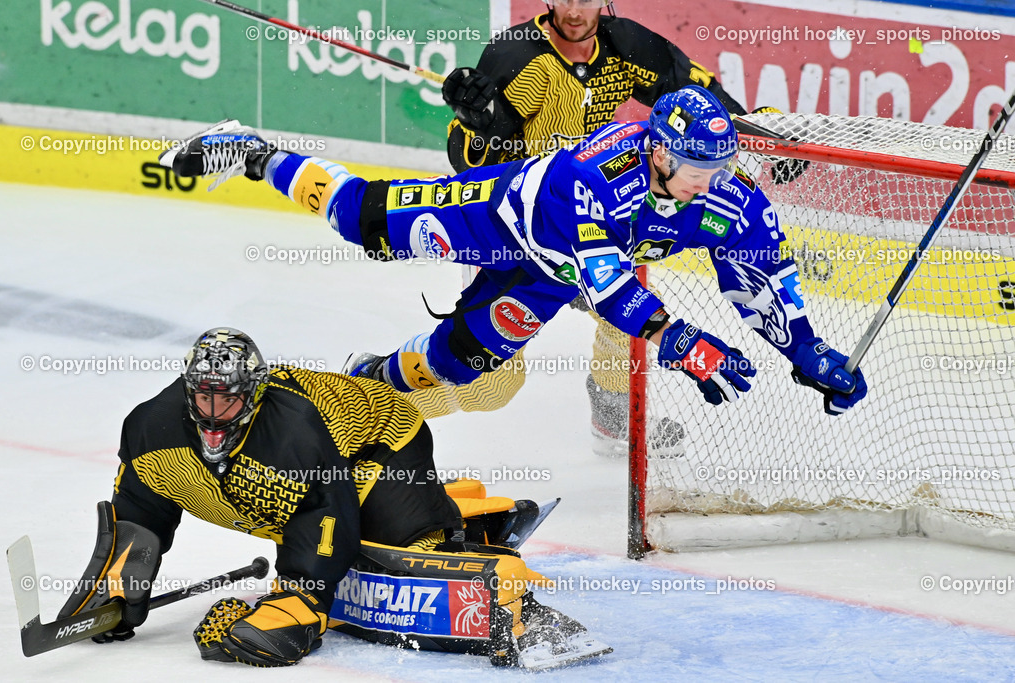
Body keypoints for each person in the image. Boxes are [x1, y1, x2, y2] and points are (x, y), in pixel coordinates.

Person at [161, 85, 866, 419]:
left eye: (719, 165)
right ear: (657, 146)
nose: (709, 181)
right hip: (496, 220)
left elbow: (760, 276)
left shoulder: (726, 195)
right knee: (364, 221)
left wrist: (805, 348)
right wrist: (678, 337)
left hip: (553, 275)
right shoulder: (595, 178)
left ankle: (370, 377)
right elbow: (611, 289)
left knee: (459, 363)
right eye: (694, 165)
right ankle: (254, 152)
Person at [57, 328, 604, 668]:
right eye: (202, 396)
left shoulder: (293, 433)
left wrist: (300, 602)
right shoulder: (151, 428)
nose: (211, 413)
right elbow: (140, 509)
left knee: (386, 541)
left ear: (253, 395)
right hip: (286, 490)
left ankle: (455, 526)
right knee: (315, 520)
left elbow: (327, 517)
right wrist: (119, 584)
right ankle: (445, 509)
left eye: (227, 401)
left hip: (382, 440)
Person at [424, 0, 762, 455]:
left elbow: (697, 95)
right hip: (520, 230)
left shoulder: (626, 44)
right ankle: (380, 396)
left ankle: (611, 411)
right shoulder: (516, 55)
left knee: (628, 321)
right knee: (491, 386)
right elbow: (469, 165)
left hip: (590, 222)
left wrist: (758, 134)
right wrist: (477, 125)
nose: (574, 9)